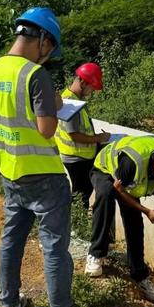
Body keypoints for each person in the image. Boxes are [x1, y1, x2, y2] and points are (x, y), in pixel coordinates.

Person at [0, 7, 101, 307]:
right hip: (43, 176)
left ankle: (9, 306)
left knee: (12, 239)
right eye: (50, 49)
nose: (49, 56)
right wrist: (52, 104)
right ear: (44, 39)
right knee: (54, 248)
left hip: (9, 170)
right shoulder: (35, 75)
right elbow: (47, 129)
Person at [85, 135, 154, 301]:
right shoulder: (133, 162)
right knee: (105, 197)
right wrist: (147, 210)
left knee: (134, 223)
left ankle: (139, 275)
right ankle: (96, 254)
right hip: (104, 169)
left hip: (126, 178)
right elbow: (119, 189)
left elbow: (152, 183)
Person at [55, 62, 110, 206]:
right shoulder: (71, 103)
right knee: (81, 197)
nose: (91, 92)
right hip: (77, 157)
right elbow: (74, 134)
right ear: (83, 82)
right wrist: (98, 138)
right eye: (92, 88)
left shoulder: (68, 97)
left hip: (76, 155)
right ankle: (75, 227)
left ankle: (75, 224)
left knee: (81, 194)